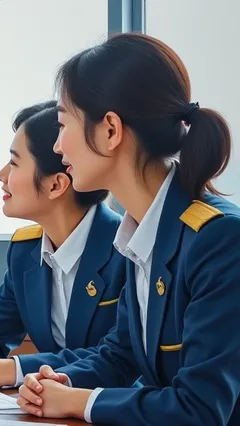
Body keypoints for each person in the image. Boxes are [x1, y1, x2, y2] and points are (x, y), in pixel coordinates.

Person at [16, 33, 240, 426]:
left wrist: (76, 402)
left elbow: (201, 409)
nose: (58, 146)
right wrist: (61, 382)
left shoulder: (219, 240)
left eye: (63, 124)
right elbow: (121, 355)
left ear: (110, 131)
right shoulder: (144, 233)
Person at [0, 101, 125, 391]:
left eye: (13, 162)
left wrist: (11, 370)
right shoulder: (24, 250)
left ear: (56, 185)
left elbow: (118, 358)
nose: (1, 175)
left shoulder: (126, 248)